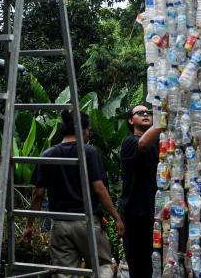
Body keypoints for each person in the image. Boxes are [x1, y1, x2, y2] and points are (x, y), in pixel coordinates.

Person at [23, 110, 125, 278]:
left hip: (60, 224)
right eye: (89, 130)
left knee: (64, 273)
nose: (89, 134)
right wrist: (117, 218)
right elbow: (99, 189)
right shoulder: (89, 152)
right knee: (102, 266)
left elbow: (38, 194)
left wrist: (29, 225)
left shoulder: (47, 154)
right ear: (83, 130)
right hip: (87, 221)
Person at [119, 104, 163, 278]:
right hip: (135, 215)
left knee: (156, 265)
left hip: (156, 214)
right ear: (131, 120)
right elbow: (143, 144)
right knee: (138, 265)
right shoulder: (130, 142)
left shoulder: (159, 146)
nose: (146, 114)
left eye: (148, 113)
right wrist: (162, 120)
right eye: (140, 113)